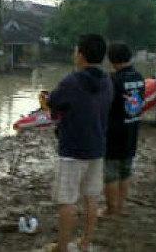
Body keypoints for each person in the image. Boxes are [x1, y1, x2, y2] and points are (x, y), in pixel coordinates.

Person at [45, 34, 113, 252]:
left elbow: (52, 102)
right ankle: (85, 243)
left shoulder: (71, 81)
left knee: (67, 201)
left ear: (81, 55)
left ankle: (62, 247)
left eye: (76, 51)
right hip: (97, 148)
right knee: (91, 197)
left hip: (72, 150)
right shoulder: (107, 81)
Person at [100, 42, 145, 218]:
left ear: (112, 60)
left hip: (114, 133)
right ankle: (121, 206)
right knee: (125, 172)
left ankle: (111, 209)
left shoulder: (114, 80)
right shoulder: (139, 77)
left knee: (110, 175)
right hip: (132, 130)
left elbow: (104, 106)